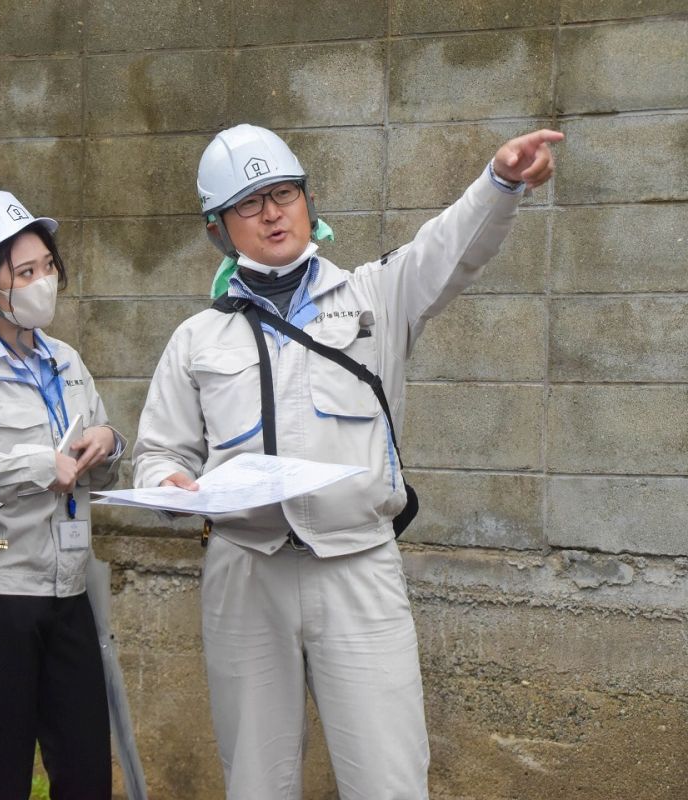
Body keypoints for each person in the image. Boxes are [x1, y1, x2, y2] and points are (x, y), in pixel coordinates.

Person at [133, 123, 562, 799]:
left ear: (309, 200)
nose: (272, 212)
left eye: (283, 193)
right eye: (249, 203)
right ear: (218, 228)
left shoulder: (373, 299)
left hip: (357, 563)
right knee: (255, 780)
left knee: (388, 778)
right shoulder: (196, 338)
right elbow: (159, 452)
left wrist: (499, 182)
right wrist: (168, 483)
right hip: (246, 570)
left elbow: (447, 250)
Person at [0, 189, 125, 799]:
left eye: (48, 266)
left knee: (87, 773)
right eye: (25, 272)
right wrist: (40, 465)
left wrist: (108, 443)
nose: (44, 282)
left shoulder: (67, 360)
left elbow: (109, 469)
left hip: (68, 590)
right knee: (2, 774)